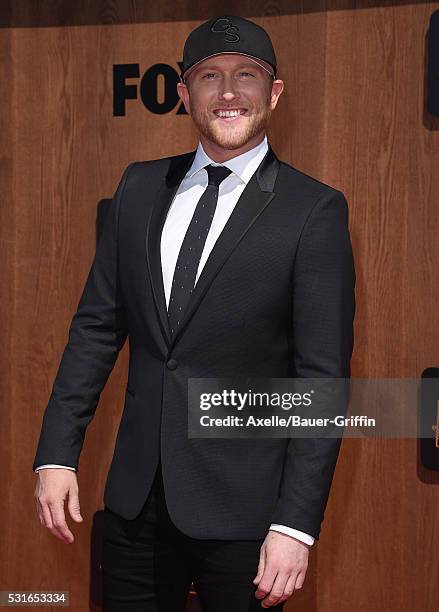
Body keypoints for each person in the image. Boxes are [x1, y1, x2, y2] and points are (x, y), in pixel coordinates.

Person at [33, 14, 355, 611]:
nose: (228, 92)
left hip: (247, 519)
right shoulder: (138, 187)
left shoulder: (314, 211)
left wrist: (295, 525)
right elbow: (97, 329)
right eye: (210, 76)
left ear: (274, 93)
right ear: (184, 95)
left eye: (246, 76)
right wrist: (57, 451)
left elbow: (322, 384)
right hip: (134, 504)